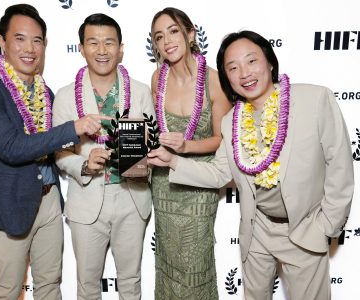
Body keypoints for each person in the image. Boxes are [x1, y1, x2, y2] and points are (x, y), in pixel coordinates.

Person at [148, 30, 354, 300]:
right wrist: (174, 161)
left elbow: (339, 165)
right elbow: (219, 171)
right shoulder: (231, 122)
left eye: (251, 61)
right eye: (232, 68)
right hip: (257, 230)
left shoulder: (314, 100)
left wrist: (326, 226)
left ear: (269, 61)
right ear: (226, 78)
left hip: (304, 229)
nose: (244, 73)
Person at [0, 4, 104, 300]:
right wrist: (73, 127)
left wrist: (85, 162)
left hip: (49, 201)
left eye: (37, 40)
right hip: (8, 205)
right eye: (20, 38)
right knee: (8, 290)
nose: (30, 48)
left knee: (50, 285)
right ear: (2, 42)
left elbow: (52, 149)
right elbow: (11, 148)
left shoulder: (46, 93)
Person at [52, 13, 154, 300]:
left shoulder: (142, 92)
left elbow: (155, 145)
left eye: (109, 42)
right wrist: (84, 163)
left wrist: (147, 146)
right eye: (93, 43)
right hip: (86, 201)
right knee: (87, 285)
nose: (102, 50)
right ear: (81, 48)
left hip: (132, 198)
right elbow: (59, 152)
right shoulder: (64, 96)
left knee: (131, 282)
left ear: (121, 48)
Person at [149, 7, 231, 299]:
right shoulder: (157, 78)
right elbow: (159, 131)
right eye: (159, 36)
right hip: (164, 183)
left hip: (199, 183)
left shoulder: (214, 79)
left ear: (191, 33)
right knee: (168, 261)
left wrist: (186, 146)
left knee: (195, 263)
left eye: (173, 31)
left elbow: (221, 138)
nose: (167, 41)